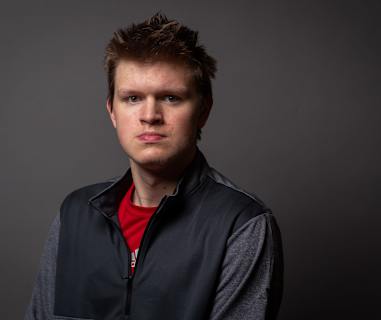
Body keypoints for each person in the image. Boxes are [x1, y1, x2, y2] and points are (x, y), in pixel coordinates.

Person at [25, 12, 283, 320]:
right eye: (132, 98)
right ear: (112, 111)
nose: (150, 115)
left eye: (171, 98)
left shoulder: (241, 223)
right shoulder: (75, 213)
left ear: (203, 110)